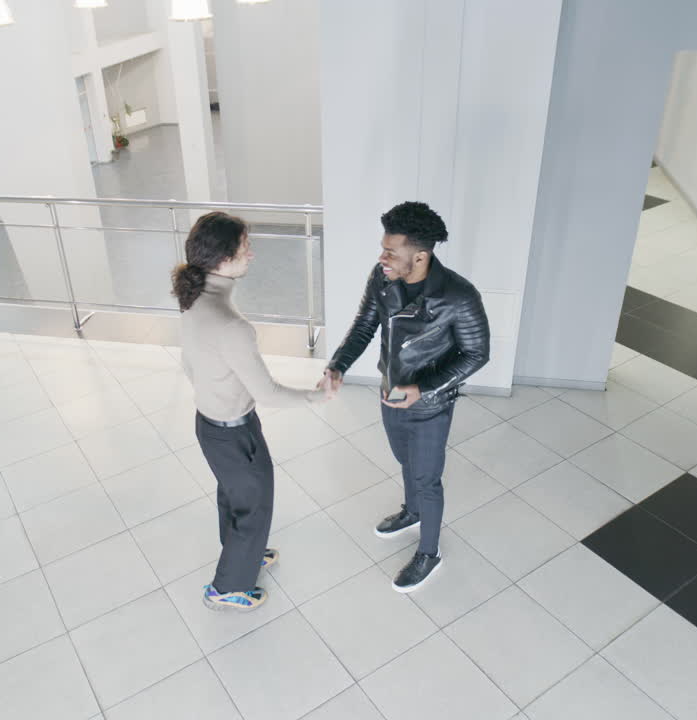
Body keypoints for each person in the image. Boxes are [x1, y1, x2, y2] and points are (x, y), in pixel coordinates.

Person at [319, 201, 490, 592]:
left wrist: (424, 389)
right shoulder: (382, 279)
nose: (382, 257)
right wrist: (338, 365)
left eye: (391, 251)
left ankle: (429, 553)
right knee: (405, 461)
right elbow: (363, 326)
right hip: (390, 392)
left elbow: (477, 354)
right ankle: (412, 512)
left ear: (420, 256)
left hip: (430, 405)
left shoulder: (459, 296)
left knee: (427, 478)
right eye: (383, 248)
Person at [173, 211, 329, 612]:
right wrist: (317, 397)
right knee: (254, 505)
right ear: (223, 260)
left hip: (210, 426)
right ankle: (226, 588)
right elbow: (270, 392)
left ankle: (244, 553)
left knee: (234, 496)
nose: (252, 255)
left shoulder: (192, 300)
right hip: (234, 431)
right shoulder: (231, 325)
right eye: (245, 248)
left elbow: (189, 364)